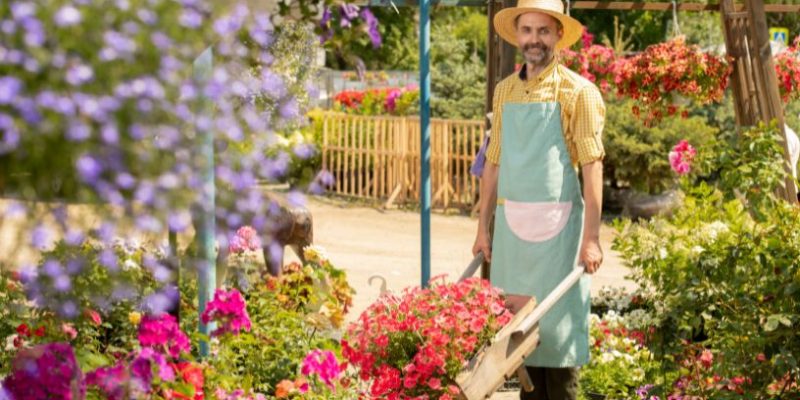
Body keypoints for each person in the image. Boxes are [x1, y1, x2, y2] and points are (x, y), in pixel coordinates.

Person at [471, 0, 605, 398]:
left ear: (558, 36)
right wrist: (482, 229)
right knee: (521, 347)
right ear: (518, 35)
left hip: (560, 240)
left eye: (543, 31)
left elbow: (592, 167)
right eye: (527, 31)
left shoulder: (578, 92)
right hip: (513, 237)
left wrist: (591, 238)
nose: (534, 40)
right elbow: (493, 163)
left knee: (559, 347)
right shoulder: (504, 91)